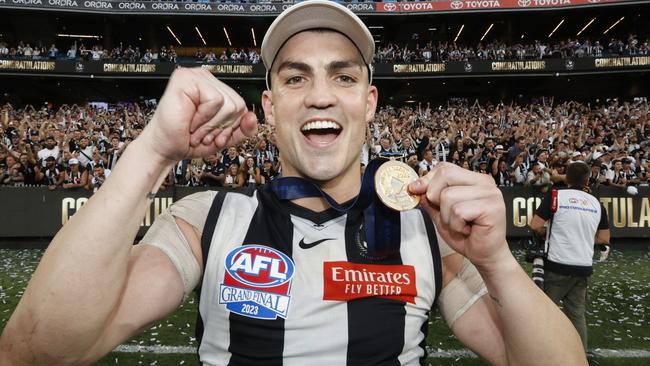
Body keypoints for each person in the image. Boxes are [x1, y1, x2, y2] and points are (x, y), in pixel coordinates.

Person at [0, 1, 586, 365]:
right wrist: (152, 152)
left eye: (343, 76)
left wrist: (500, 263)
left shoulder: (425, 232)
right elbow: (40, 350)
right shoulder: (209, 219)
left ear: (369, 102)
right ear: (271, 106)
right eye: (296, 77)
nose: (322, 95)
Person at [530, 161, 611, 352]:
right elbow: (604, 238)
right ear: (587, 179)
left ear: (567, 177)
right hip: (583, 267)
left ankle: (540, 355)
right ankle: (579, 356)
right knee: (576, 316)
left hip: (557, 264)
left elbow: (535, 225)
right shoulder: (597, 204)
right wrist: (581, 237)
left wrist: (546, 233)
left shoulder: (556, 195)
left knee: (543, 312)